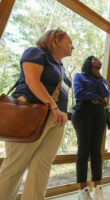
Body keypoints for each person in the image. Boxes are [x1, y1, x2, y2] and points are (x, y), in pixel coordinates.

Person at [0, 29, 73, 200]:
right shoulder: (36, 53)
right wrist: (53, 106)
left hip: (56, 119)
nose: (73, 46)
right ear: (56, 40)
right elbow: (32, 81)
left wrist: (58, 112)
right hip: (31, 114)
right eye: (69, 42)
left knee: (43, 165)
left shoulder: (61, 67)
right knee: (15, 165)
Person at [72, 56, 110, 200]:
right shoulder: (79, 76)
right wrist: (97, 95)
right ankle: (83, 191)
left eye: (99, 63)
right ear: (88, 63)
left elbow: (106, 94)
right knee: (83, 150)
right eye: (95, 60)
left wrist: (100, 80)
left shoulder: (101, 79)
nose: (98, 61)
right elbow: (79, 94)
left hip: (99, 113)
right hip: (83, 111)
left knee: (96, 151)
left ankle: (98, 189)